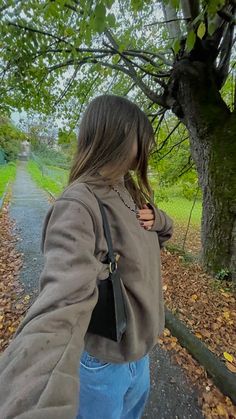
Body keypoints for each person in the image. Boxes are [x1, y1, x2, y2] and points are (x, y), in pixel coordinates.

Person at [0, 94, 173, 419]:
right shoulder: (78, 205)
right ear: (121, 136)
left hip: (140, 355)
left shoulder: (130, 189)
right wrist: (31, 394)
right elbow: (60, 305)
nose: (149, 145)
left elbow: (162, 235)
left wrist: (158, 217)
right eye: (142, 136)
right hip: (103, 364)